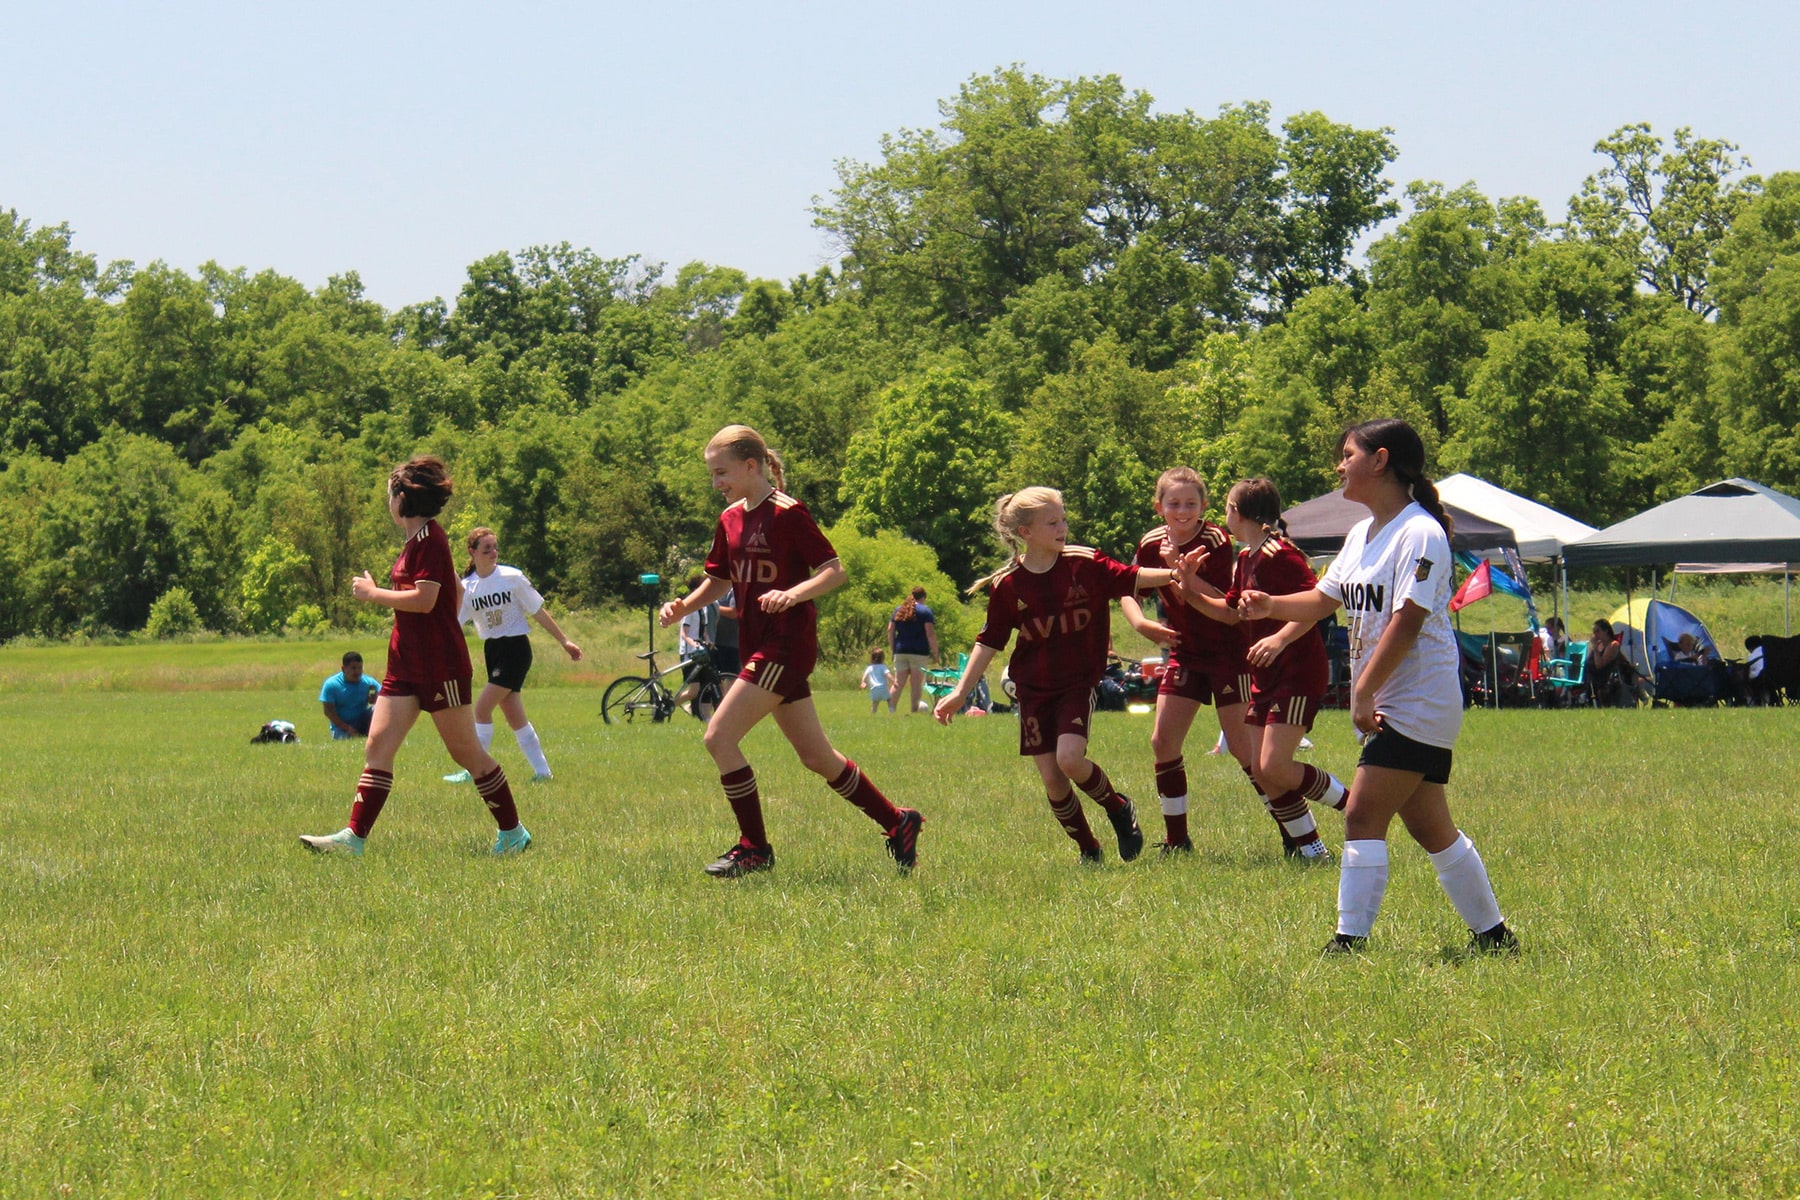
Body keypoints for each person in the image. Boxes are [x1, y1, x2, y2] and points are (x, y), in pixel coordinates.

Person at [1237, 419, 1516, 954]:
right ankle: (1495, 936)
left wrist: (1363, 693)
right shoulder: (1362, 534)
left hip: (1418, 700)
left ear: (1380, 460)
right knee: (1433, 829)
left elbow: (1406, 622)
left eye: (1347, 454)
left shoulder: (1420, 532)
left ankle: (1349, 943)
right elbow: (1322, 601)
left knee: (1362, 813)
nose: (1340, 465)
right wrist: (1271, 607)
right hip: (1393, 697)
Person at [658, 425, 923, 876]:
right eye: (711, 475)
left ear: (751, 466)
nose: (716, 484)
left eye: (721, 473)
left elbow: (833, 572)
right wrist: (684, 603)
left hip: (786, 646)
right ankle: (898, 822)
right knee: (816, 757)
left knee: (718, 737)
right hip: (758, 644)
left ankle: (754, 848)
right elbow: (720, 580)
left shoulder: (788, 513)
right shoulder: (729, 519)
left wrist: (794, 593)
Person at [934, 487, 1184, 865]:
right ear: (1025, 532)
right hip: (1033, 689)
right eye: (1052, 522)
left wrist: (1175, 572)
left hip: (1076, 682)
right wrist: (959, 692)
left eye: (1064, 518)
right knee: (1052, 779)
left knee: (1070, 759)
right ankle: (1089, 849)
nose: (1063, 527)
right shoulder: (1008, 586)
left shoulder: (1084, 564)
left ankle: (1118, 808)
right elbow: (988, 643)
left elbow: (1131, 577)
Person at [299, 456, 531, 857]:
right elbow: (454, 593)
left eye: (390, 494)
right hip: (406, 664)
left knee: (467, 753)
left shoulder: (431, 539)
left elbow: (425, 600)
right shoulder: (415, 543)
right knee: (377, 747)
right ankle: (353, 840)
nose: (387, 502)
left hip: (439, 665)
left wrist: (374, 595)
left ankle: (513, 834)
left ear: (402, 498)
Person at [1120, 467, 1340, 857]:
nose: (1183, 510)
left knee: (1254, 757)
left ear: (1215, 509)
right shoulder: (1167, 544)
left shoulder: (1231, 545)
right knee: (1166, 741)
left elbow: (1248, 606)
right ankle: (1179, 841)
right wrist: (1146, 619)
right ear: (1159, 507)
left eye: (1192, 503)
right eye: (1174, 503)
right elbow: (1133, 586)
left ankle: (1319, 825)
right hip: (1190, 652)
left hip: (1239, 657)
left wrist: (1180, 575)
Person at [1178, 478, 1346, 862]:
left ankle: (1355, 807)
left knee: (1275, 766)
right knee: (1261, 768)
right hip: (1268, 676)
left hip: (1297, 671)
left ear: (1237, 513)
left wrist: (1280, 639)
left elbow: (1318, 606)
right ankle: (1312, 850)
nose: (1224, 517)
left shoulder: (1279, 554)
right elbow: (1229, 614)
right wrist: (1188, 588)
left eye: (1226, 509)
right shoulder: (1245, 558)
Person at [441, 526, 582, 785]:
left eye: (495, 547)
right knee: (516, 718)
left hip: (515, 649)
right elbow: (454, 624)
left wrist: (565, 641)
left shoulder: (512, 577)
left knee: (482, 709)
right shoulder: (469, 587)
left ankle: (475, 770)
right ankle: (543, 773)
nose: (493, 553)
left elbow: (538, 611)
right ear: (472, 552)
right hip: (493, 651)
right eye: (487, 549)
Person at [887, 586, 938, 714]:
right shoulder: (925, 612)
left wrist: (893, 648)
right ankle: (914, 710)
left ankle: (891, 709)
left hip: (901, 650)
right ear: (923, 597)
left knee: (898, 683)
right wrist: (935, 653)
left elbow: (890, 630)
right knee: (916, 684)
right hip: (919, 652)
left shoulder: (899, 610)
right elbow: (930, 634)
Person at [319, 650, 380, 739]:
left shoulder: (368, 682)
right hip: (341, 728)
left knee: (379, 707)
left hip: (362, 723)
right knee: (344, 739)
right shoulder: (331, 684)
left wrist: (377, 699)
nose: (357, 672)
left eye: (360, 668)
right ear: (343, 669)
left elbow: (385, 695)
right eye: (353, 668)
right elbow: (328, 711)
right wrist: (347, 728)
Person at [861, 648, 894, 713]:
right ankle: (892, 712)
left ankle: (873, 715)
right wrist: (894, 681)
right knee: (889, 700)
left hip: (874, 689)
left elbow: (865, 675)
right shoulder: (883, 667)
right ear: (882, 658)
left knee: (875, 703)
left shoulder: (869, 668)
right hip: (883, 687)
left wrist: (863, 682)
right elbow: (888, 675)